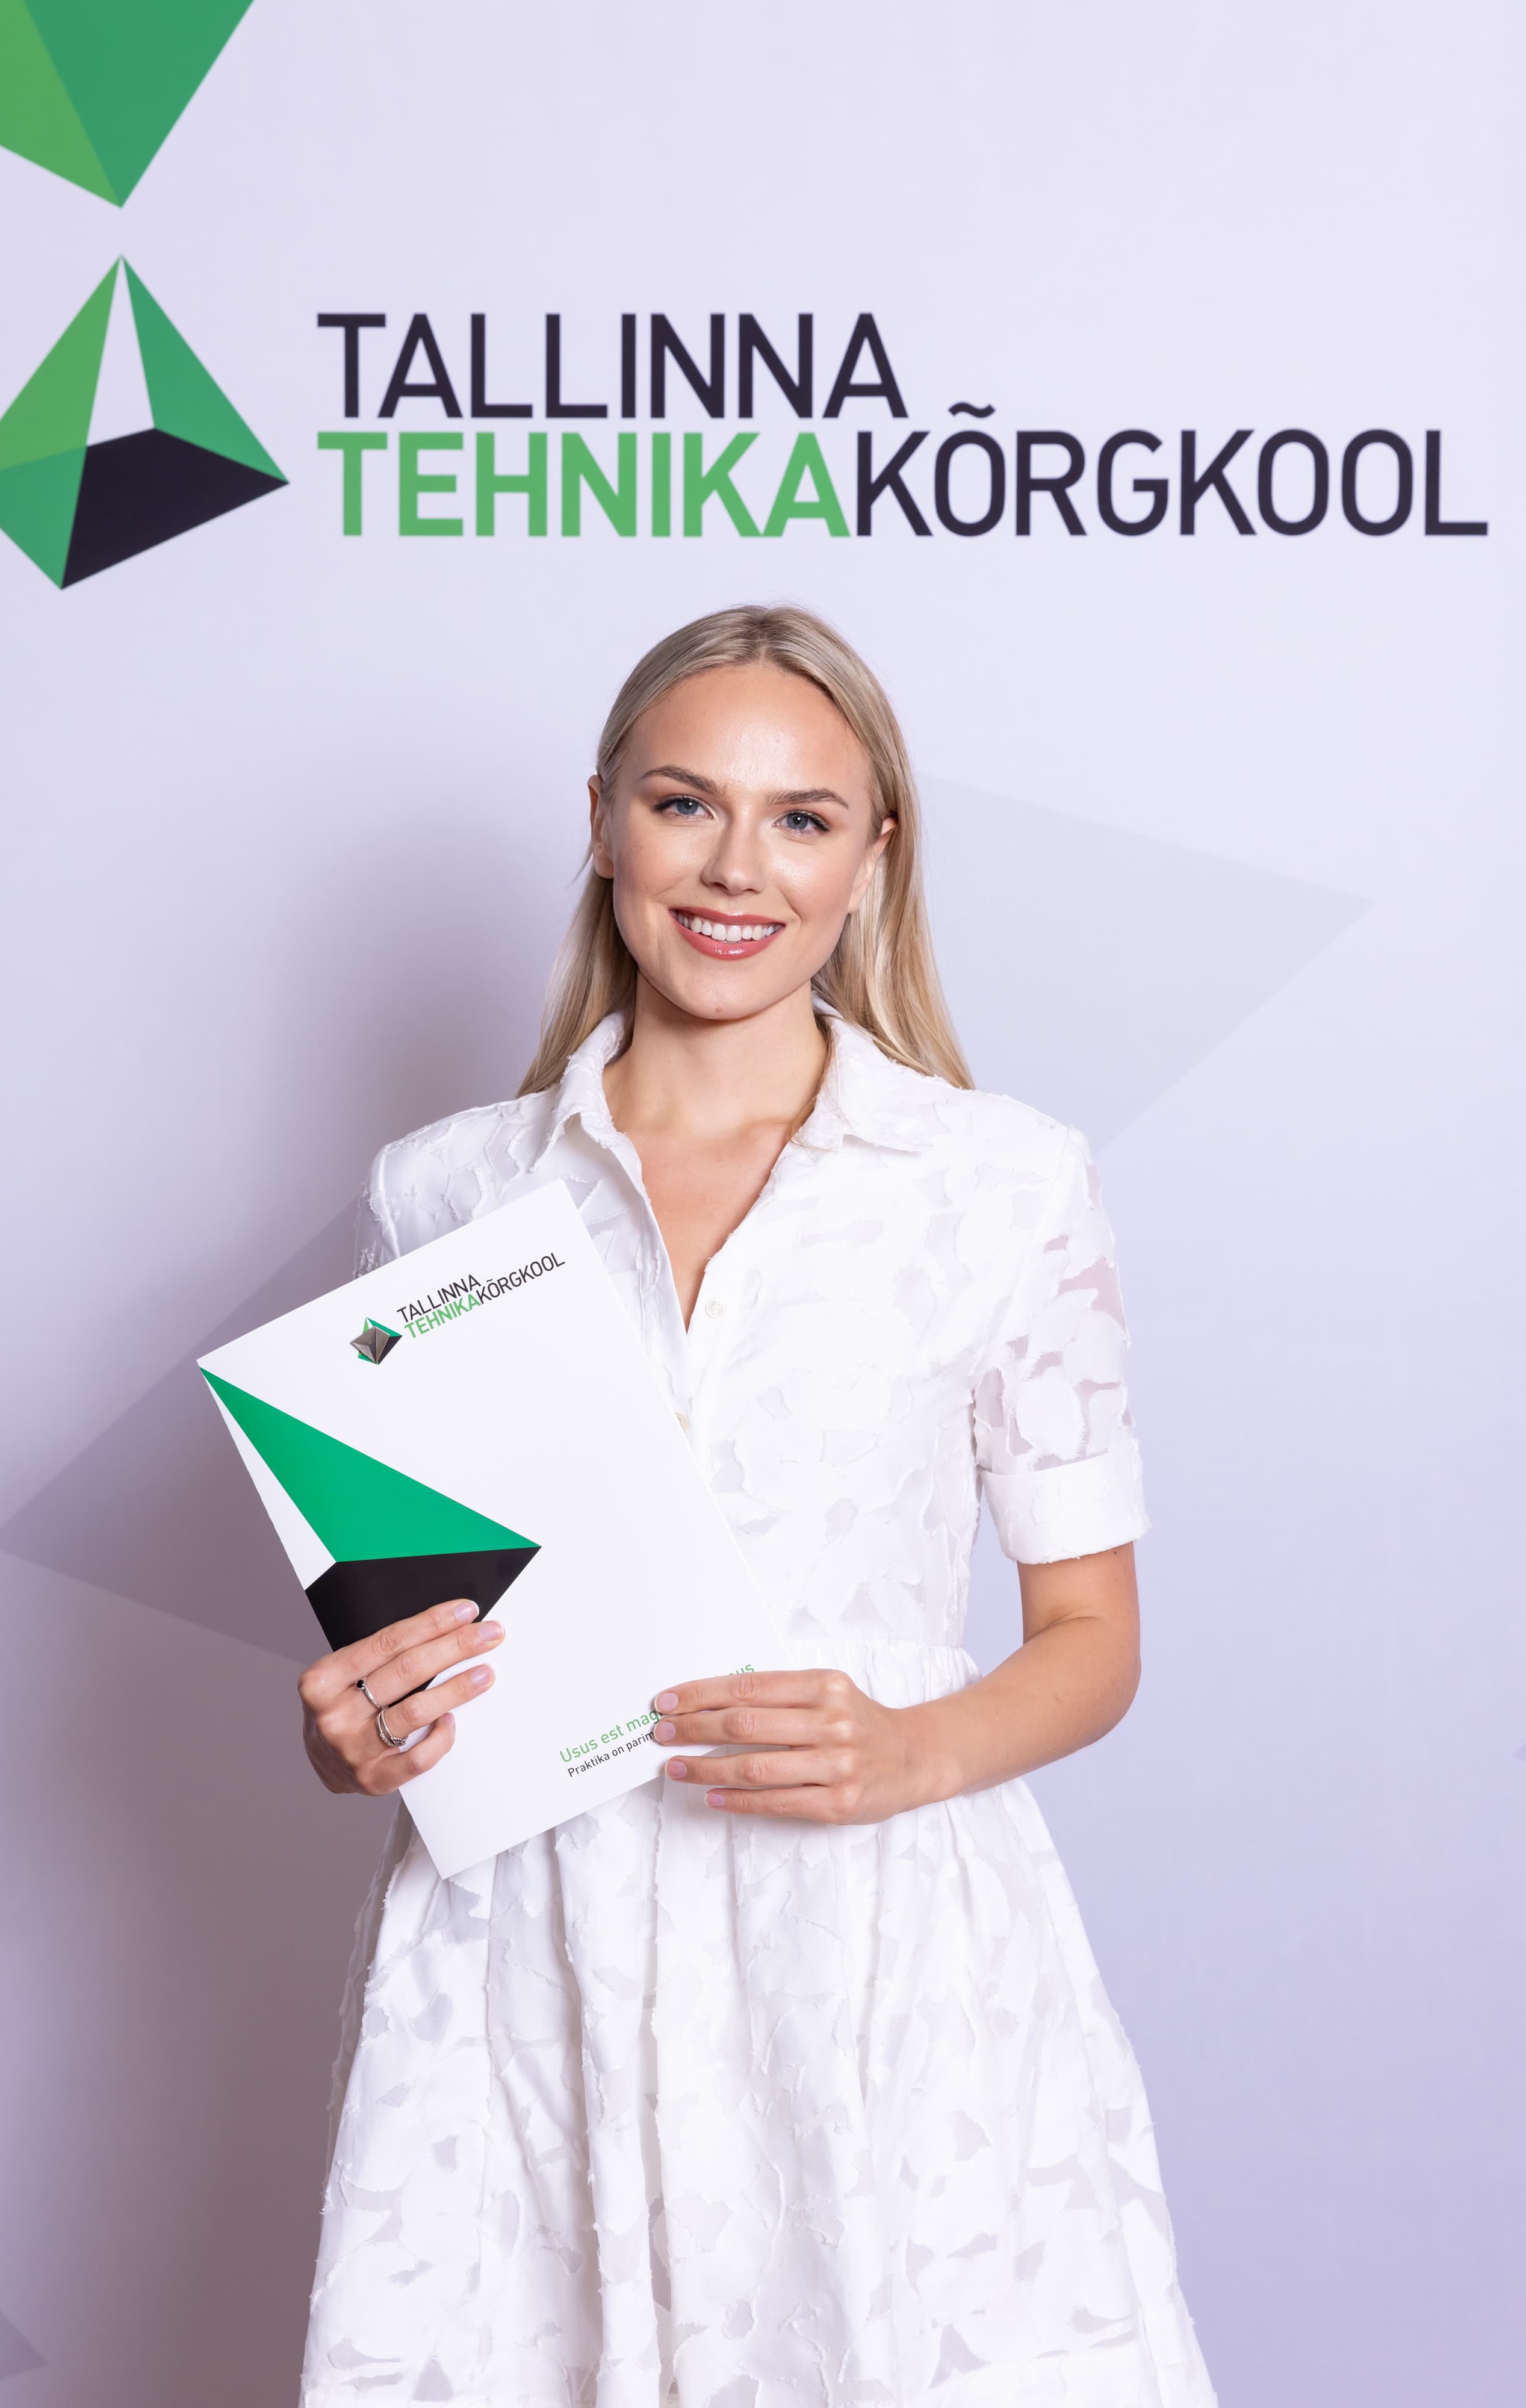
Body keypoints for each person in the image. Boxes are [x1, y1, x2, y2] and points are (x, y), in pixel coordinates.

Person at [296, 606, 1216, 2407]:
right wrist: (355, 1739)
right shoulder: (440, 1196)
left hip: (873, 1946)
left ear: (875, 858)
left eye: (802, 818)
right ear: (602, 824)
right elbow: (417, 1652)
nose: (738, 868)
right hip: (528, 1962)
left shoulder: (1000, 1184)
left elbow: (1092, 1640)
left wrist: (909, 1748)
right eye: (684, 804)